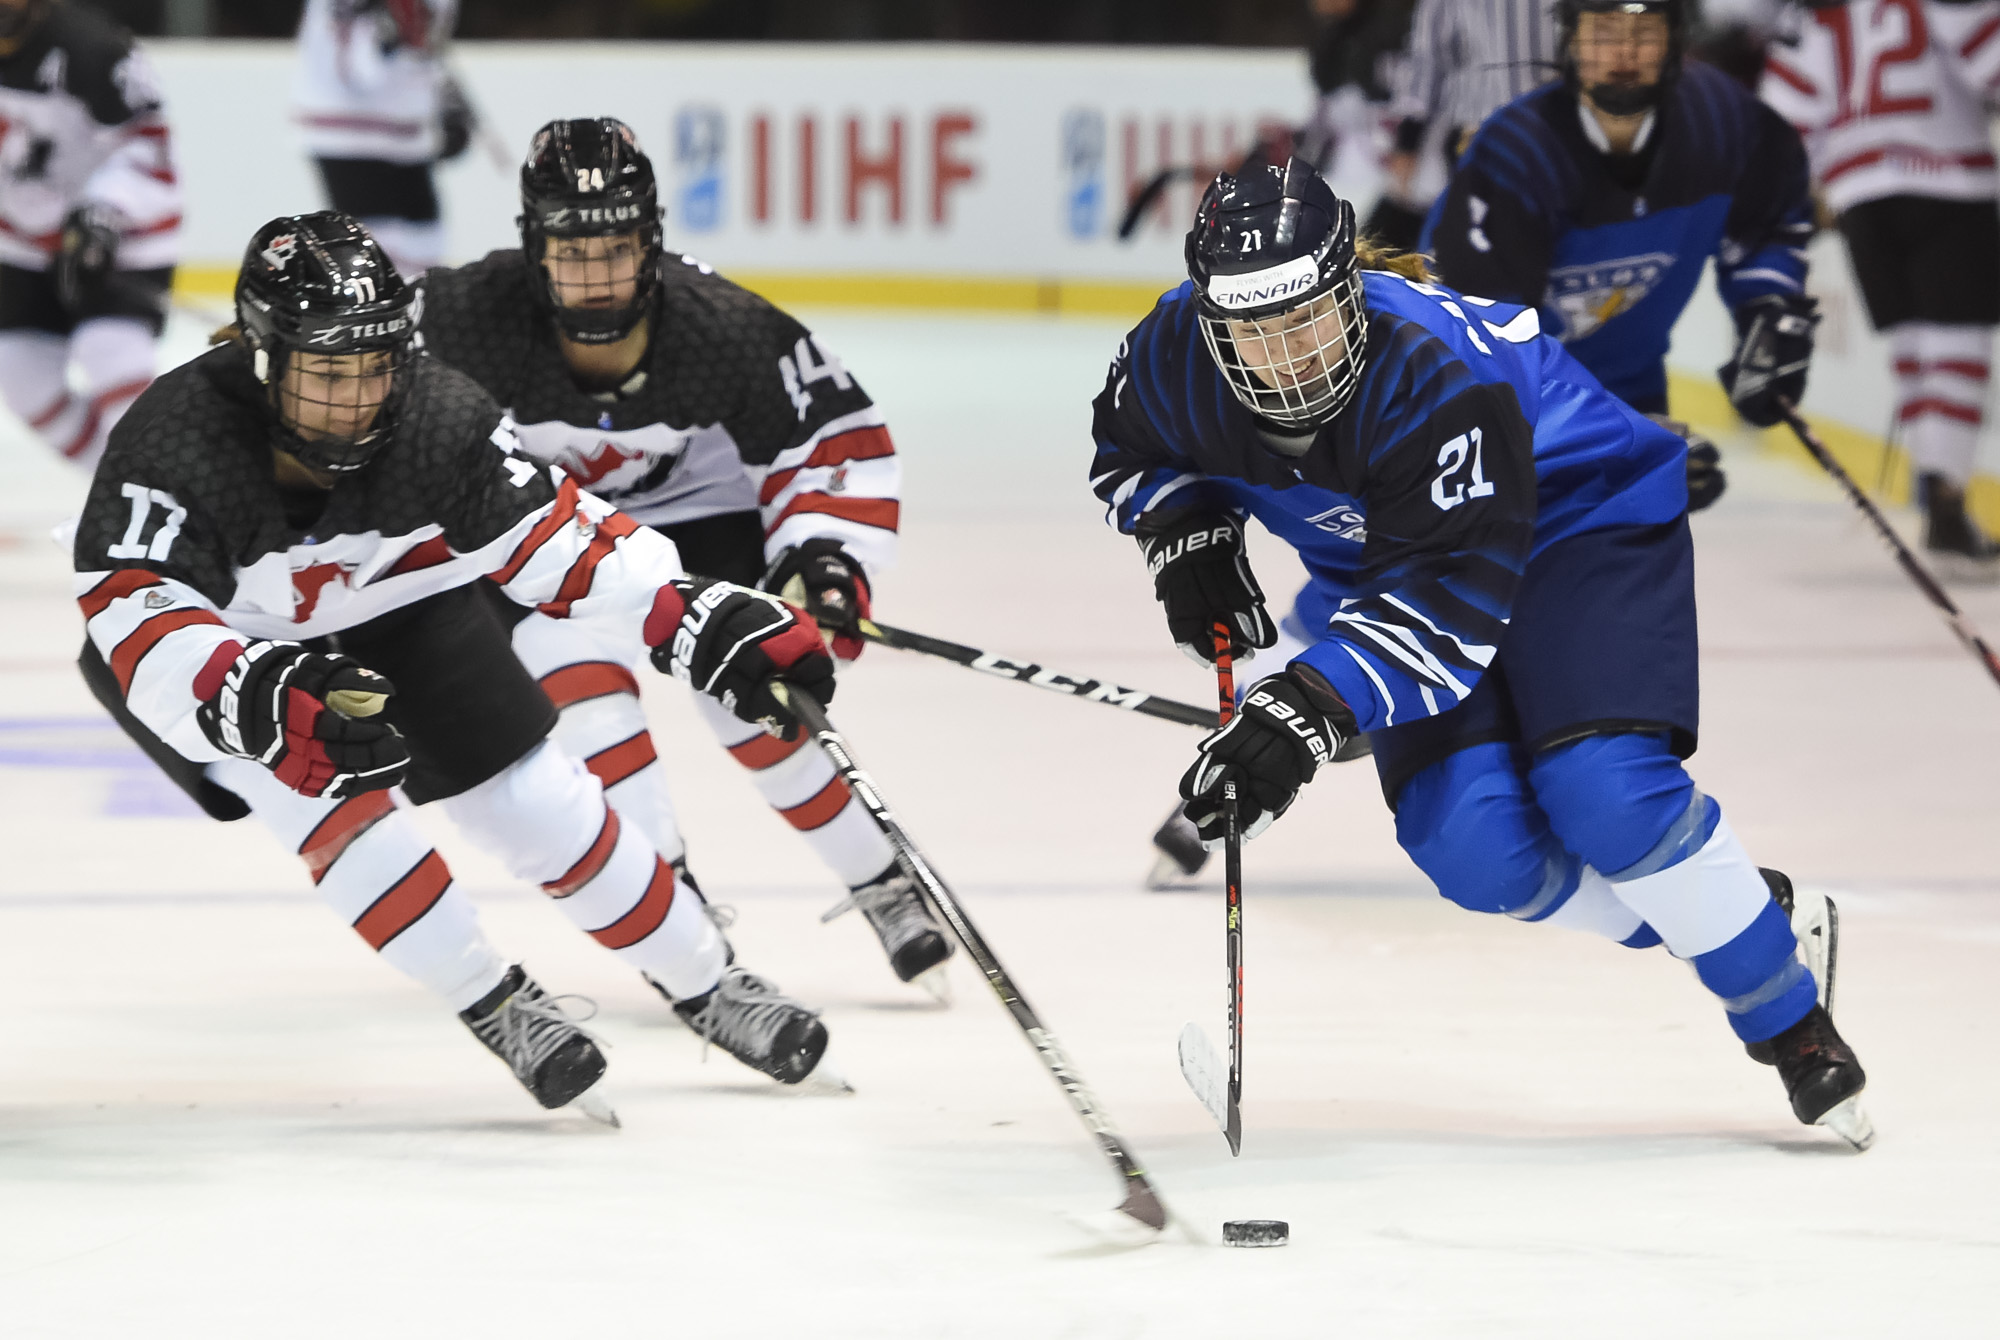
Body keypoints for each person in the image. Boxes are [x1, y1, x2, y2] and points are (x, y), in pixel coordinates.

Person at [1093, 157, 1873, 1148]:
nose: (1284, 358)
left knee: (1604, 790)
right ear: (1210, 322)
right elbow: (1130, 449)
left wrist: (1308, 706)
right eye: (1252, 332)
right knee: (1475, 853)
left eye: (1305, 321)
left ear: (1347, 292)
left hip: (1575, 526)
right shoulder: (1168, 354)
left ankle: (1785, 1016)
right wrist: (1183, 530)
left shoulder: (1437, 372)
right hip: (1402, 568)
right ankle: (1736, 914)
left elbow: (1443, 603)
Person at [74, 211, 844, 1120]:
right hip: (230, 653)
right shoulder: (174, 440)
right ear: (260, 356)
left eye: (375, 366)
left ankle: (710, 983)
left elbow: (561, 538)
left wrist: (688, 613)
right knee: (340, 816)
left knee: (538, 801)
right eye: (327, 373)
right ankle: (492, 999)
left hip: (397, 603)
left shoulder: (439, 417)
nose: (356, 400)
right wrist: (255, 695)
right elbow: (140, 616)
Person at [415, 118, 951, 993]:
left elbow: (829, 441)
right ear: (532, 248)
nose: (596, 277)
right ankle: (674, 910)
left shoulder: (723, 328)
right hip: (555, 535)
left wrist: (824, 557)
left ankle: (881, 878)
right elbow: (357, 380)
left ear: (652, 242)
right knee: (588, 707)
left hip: (699, 522)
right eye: (571, 252)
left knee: (757, 700)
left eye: (617, 250)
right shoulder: (462, 318)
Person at [1762, 0, 2000, 576]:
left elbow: (1784, 106)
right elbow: (1989, 63)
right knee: (1958, 343)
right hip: (1948, 174)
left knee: (1913, 342)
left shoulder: (1816, 10)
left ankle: (1936, 492)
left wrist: (1797, 188)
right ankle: (1945, 500)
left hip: (1858, 192)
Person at [0, 0, 179, 472]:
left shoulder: (94, 48)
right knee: (18, 370)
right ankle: (118, 488)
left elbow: (147, 143)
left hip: (121, 234)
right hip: (22, 245)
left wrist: (104, 214)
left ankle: (158, 484)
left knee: (109, 351)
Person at [293, 0, 470, 280]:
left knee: (426, 239)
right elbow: (356, 67)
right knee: (371, 251)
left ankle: (418, 303)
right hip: (346, 130)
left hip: (407, 132)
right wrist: (380, 40)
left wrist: (445, 102)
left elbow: (425, 50)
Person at [1371, 0, 1563, 249]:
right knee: (1492, 249)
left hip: (1561, 126)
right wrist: (1409, 139)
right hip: (1484, 133)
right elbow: (1430, 58)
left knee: (1558, 242)